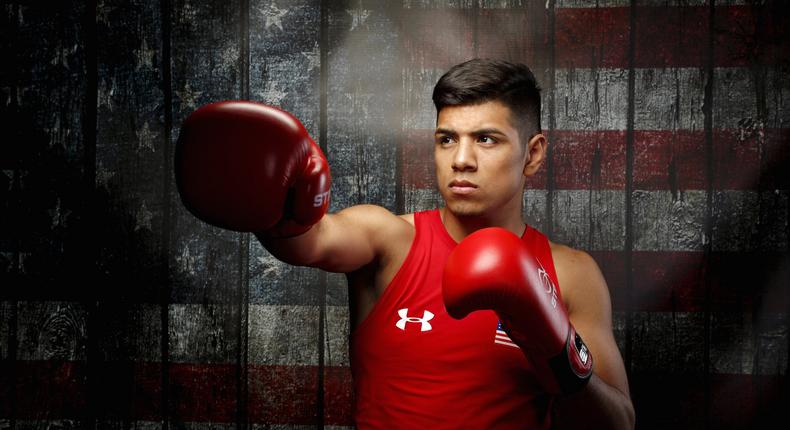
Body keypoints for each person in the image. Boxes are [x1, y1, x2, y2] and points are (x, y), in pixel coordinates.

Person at [175, 58, 635, 429]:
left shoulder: (570, 273)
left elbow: (618, 422)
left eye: (486, 139)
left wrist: (559, 353)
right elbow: (308, 241)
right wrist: (277, 203)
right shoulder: (389, 240)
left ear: (532, 154)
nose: (461, 160)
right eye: (446, 139)